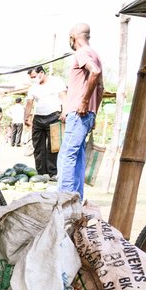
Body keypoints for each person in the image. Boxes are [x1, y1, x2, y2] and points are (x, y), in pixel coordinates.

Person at [58, 23, 103, 200]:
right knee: (77, 157)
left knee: (66, 156)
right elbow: (101, 86)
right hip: (87, 113)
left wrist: (84, 101)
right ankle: (76, 199)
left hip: (78, 112)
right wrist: (94, 112)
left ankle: (64, 200)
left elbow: (95, 72)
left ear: (72, 38)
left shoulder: (82, 52)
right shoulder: (95, 54)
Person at [24, 65, 66, 177]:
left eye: (34, 76)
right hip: (38, 118)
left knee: (54, 146)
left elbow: (63, 97)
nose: (33, 79)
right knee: (38, 146)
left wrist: (64, 112)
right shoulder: (33, 87)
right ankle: (41, 172)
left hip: (54, 116)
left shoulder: (56, 81)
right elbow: (29, 103)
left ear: (41, 73)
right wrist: (26, 117)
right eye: (31, 77)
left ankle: (53, 173)